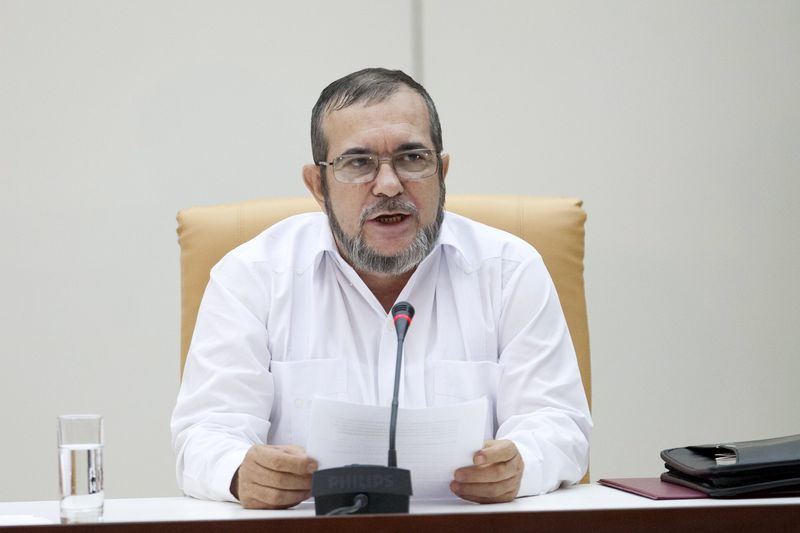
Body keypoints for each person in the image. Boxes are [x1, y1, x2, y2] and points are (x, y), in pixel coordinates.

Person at [171, 68, 591, 509]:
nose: (389, 185)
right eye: (358, 163)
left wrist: (520, 463)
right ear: (318, 186)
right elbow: (205, 434)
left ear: (442, 172)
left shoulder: (509, 270)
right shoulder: (251, 277)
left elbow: (558, 423)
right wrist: (242, 471)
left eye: (412, 158)